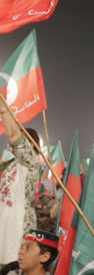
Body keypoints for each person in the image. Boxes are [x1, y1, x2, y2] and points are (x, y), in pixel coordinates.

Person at [0, 99, 43, 266]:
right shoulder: (13, 164)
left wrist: (4, 111)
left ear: (30, 144)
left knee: (14, 269)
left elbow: (13, 137)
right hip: (5, 223)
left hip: (18, 224)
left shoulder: (30, 161)